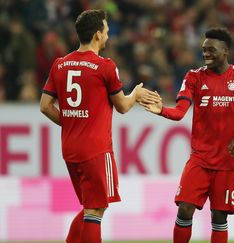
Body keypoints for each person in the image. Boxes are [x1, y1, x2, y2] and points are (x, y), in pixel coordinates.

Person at [39, 9, 160, 243]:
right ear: (96, 35)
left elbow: (45, 106)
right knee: (95, 210)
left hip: (70, 149)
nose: (107, 36)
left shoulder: (60, 64)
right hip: (96, 150)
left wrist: (73, 122)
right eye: (105, 31)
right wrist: (135, 93)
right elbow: (123, 106)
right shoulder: (105, 66)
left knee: (90, 207)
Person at [139, 27, 234, 243]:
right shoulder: (194, 77)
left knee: (219, 216)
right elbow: (179, 112)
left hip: (228, 162)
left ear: (225, 51)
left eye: (211, 50)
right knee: (185, 209)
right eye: (204, 50)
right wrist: (162, 110)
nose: (206, 54)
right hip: (200, 159)